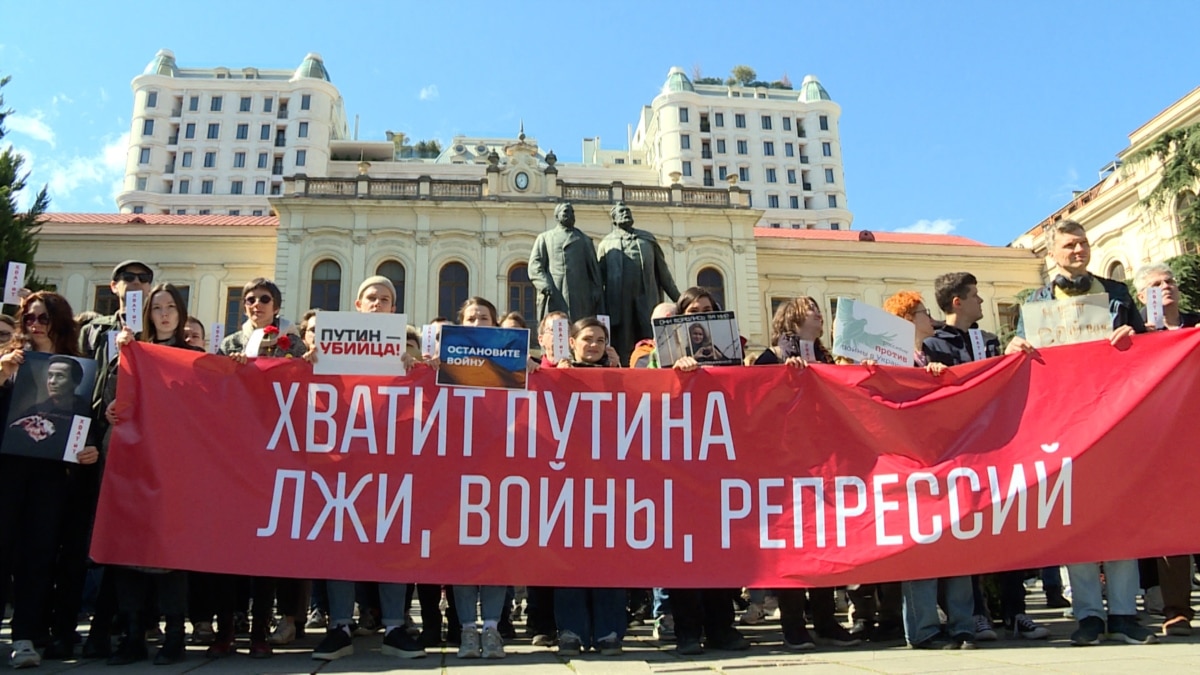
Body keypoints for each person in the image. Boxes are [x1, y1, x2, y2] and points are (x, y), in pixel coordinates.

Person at [1006, 220, 1154, 647]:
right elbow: (1019, 353)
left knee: (1121, 516)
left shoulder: (1119, 294)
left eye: (1084, 243)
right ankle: (1088, 614)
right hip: (1066, 423)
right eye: (1070, 245)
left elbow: (1145, 351)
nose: (1079, 250)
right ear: (1053, 253)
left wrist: (1132, 335)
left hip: (1115, 418)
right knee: (1077, 519)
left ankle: (1125, 612)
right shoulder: (1036, 302)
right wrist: (1017, 348)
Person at [311, 276, 425, 663]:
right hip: (342, 466)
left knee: (392, 544)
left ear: (394, 309)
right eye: (371, 298)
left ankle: (395, 626)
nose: (378, 304)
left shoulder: (404, 358)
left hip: (391, 467)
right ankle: (340, 627)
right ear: (358, 306)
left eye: (386, 299)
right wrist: (308, 366)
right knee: (340, 544)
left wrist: (416, 369)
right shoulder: (330, 349)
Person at [751, 296, 860, 650]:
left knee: (824, 545)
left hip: (825, 465)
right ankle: (793, 625)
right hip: (783, 468)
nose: (820, 316)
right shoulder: (769, 358)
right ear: (795, 319)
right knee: (789, 549)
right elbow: (754, 405)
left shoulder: (827, 358)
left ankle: (827, 622)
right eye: (813, 312)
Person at [207, 278, 307, 659]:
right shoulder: (230, 344)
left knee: (265, 549)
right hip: (236, 455)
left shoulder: (291, 344)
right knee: (229, 548)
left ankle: (261, 629)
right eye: (249, 299)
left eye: (264, 299)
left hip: (276, 454)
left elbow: (306, 387)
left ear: (276, 307)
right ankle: (227, 627)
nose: (255, 304)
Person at [104, 283, 204, 666]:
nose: (163, 314)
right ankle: (133, 635)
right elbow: (110, 400)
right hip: (134, 462)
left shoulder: (194, 356)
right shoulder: (132, 354)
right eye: (156, 307)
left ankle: (175, 637)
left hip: (175, 468)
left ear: (180, 313)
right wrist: (112, 405)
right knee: (128, 549)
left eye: (170, 307)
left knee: (168, 553)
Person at [0, 292, 99, 669]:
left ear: (59, 322)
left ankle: (25, 635)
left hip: (49, 478)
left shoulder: (79, 370)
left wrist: (89, 450)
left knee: (38, 556)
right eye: (29, 318)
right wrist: (3, 372)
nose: (35, 325)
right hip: (6, 473)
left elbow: (82, 428)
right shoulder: (10, 362)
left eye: (43, 318)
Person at [664, 288, 748, 656]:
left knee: (719, 552)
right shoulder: (662, 355)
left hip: (719, 466)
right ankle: (687, 630)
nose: (699, 318)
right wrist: (675, 373)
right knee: (682, 553)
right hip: (678, 468)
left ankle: (721, 628)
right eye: (692, 311)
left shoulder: (732, 355)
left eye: (707, 311)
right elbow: (647, 393)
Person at [550, 317, 627, 655]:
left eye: (599, 340)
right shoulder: (558, 377)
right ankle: (571, 630)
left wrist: (622, 372)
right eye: (587, 339)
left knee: (609, 559)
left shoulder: (622, 378)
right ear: (572, 342)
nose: (593, 345)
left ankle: (609, 630)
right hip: (568, 483)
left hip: (610, 484)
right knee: (569, 560)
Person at [1133, 263, 1199, 636]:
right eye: (1156, 284)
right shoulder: (1136, 333)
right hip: (1162, 441)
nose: (1167, 287)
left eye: (1170, 281)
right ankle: (1177, 609)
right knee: (1173, 528)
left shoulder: (1197, 324)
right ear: (1143, 297)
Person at [597, 202, 680, 361]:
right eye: (621, 212)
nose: (626, 214)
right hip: (619, 302)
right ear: (613, 219)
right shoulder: (606, 244)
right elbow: (598, 282)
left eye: (628, 211)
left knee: (650, 337)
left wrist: (682, 302)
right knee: (623, 341)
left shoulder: (647, 240)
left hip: (646, 297)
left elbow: (664, 275)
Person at [528, 201, 605, 324]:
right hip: (555, 292)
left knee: (579, 328)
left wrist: (596, 290)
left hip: (581, 295)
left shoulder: (584, 240)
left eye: (572, 212)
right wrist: (544, 284)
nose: (569, 214)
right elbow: (535, 265)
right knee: (557, 329)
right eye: (565, 211)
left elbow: (594, 270)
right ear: (556, 216)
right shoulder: (545, 238)